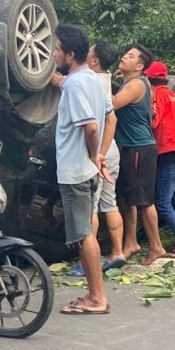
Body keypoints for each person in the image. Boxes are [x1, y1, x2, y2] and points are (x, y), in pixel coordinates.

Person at [53, 25, 115, 315]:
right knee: (86, 231)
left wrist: (93, 155)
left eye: (56, 49)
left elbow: (90, 126)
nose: (53, 53)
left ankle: (97, 299)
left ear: (71, 54)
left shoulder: (77, 85)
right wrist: (101, 156)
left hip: (76, 172)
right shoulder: (92, 80)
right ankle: (94, 294)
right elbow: (109, 119)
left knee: (83, 234)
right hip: (87, 171)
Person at [67, 41, 125, 275]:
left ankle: (87, 262)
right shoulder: (106, 79)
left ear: (94, 61)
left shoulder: (87, 81)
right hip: (111, 149)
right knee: (109, 203)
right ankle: (118, 252)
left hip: (96, 151)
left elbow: (62, 82)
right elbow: (113, 119)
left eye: (88, 54)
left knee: (90, 207)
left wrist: (44, 73)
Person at [112, 45, 168, 265]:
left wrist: (99, 80)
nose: (125, 56)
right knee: (128, 199)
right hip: (129, 147)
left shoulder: (136, 84)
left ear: (140, 66)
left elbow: (114, 103)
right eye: (126, 53)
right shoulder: (130, 82)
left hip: (139, 148)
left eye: (131, 56)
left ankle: (156, 246)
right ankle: (131, 242)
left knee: (144, 200)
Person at [145, 61, 175, 259]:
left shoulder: (157, 95)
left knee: (163, 202)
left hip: (169, 151)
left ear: (149, 79)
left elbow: (154, 121)